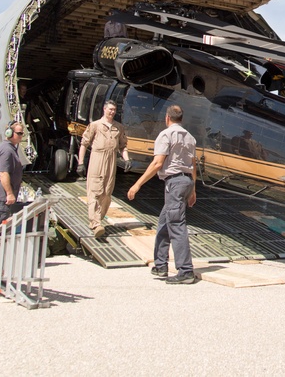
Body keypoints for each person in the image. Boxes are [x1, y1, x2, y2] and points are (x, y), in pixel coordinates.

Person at [127, 105, 198, 285]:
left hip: (174, 183)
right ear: (181, 118)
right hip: (187, 181)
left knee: (176, 224)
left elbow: (157, 163)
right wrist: (193, 189)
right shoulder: (190, 138)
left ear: (167, 118)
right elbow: (193, 164)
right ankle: (160, 264)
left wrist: (137, 185)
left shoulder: (166, 135)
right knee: (164, 222)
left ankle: (186, 270)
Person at [77, 100, 129, 238]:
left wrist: (127, 159)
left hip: (111, 159)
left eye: (114, 110)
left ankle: (98, 219)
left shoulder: (119, 127)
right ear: (104, 109)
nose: (112, 112)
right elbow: (84, 144)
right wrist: (80, 162)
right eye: (110, 109)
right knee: (95, 190)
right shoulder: (95, 125)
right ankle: (95, 223)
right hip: (97, 158)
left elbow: (123, 146)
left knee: (107, 191)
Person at [0, 121, 26, 230]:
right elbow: (3, 173)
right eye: (19, 133)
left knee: (0, 230)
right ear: (9, 133)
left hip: (2, 197)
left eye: (22, 134)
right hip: (2, 196)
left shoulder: (10, 149)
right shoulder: (7, 150)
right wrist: (9, 194)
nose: (21, 136)